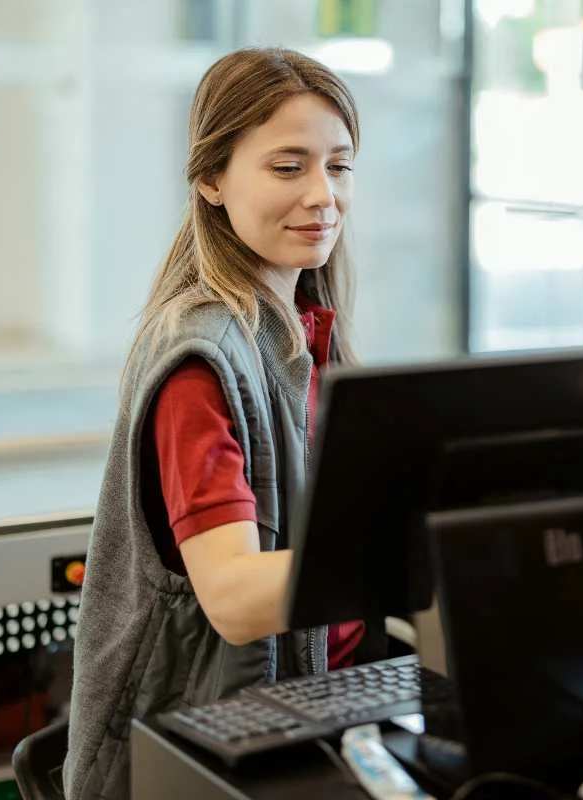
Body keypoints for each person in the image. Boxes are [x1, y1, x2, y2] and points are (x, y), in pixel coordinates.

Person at [63, 48, 386, 800]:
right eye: (287, 167)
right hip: (206, 744)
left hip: (321, 704)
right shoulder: (201, 361)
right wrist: (421, 550)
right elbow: (238, 601)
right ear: (211, 179)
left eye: (338, 167)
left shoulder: (310, 335)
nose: (323, 196)